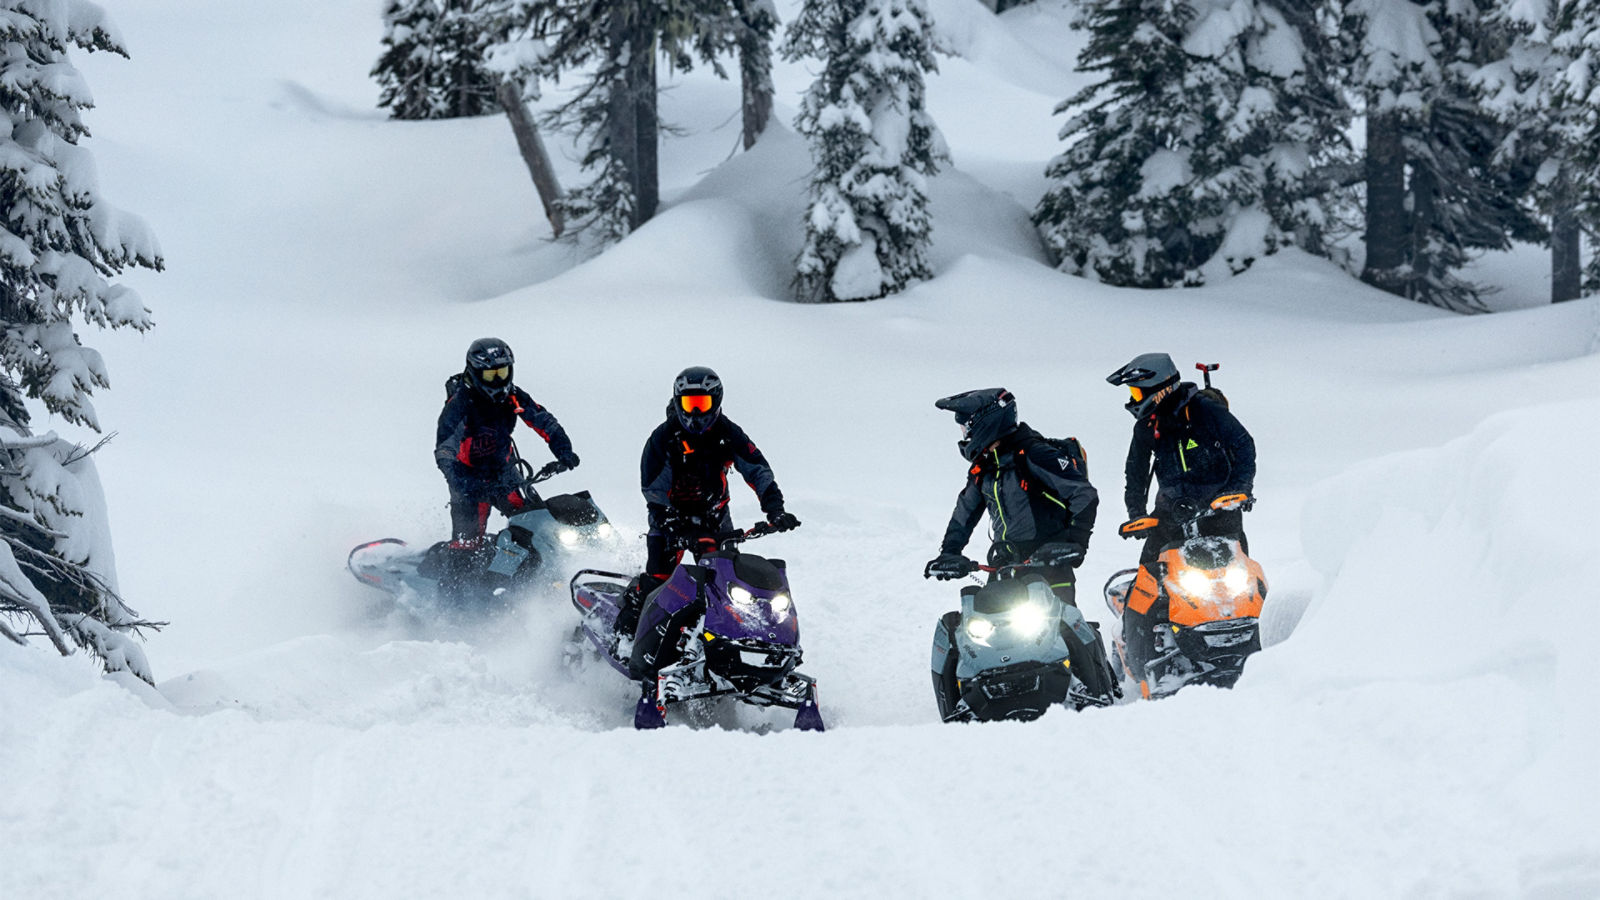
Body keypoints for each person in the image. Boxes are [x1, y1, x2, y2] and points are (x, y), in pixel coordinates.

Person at [923, 388, 1116, 711]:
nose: (965, 434)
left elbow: (1083, 494)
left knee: (1065, 622)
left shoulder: (1034, 454)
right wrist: (949, 553)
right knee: (980, 631)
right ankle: (965, 705)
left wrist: (1073, 543)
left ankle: (1099, 692)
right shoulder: (985, 468)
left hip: (1050, 560)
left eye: (967, 426)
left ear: (987, 422)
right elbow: (964, 514)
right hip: (1006, 565)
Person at [617, 366, 800, 677]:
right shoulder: (663, 439)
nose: (695, 413)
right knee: (659, 581)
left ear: (716, 401)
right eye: (689, 404)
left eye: (702, 403)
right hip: (670, 521)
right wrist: (675, 525)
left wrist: (775, 509)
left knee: (727, 586)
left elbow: (756, 468)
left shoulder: (728, 433)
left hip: (715, 519)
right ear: (677, 402)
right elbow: (653, 490)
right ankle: (628, 637)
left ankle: (727, 652)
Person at [1105, 352, 1256, 696]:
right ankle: (1141, 661)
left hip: (1220, 513)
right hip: (1169, 518)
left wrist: (1239, 490)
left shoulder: (1205, 410)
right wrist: (1136, 513)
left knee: (1241, 582)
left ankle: (1261, 642)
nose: (1134, 399)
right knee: (1145, 586)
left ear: (1158, 387)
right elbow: (1135, 472)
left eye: (1137, 392)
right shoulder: (1147, 425)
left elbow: (1244, 445)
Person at [434, 337, 579, 548]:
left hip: (504, 471)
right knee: (466, 547)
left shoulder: (513, 396)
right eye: (490, 375)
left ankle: (542, 563)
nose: (497, 381)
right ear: (475, 373)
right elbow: (445, 449)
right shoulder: (460, 405)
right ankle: (452, 565)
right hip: (468, 479)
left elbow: (545, 422)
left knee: (537, 523)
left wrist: (564, 450)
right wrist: (458, 479)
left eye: (501, 373)